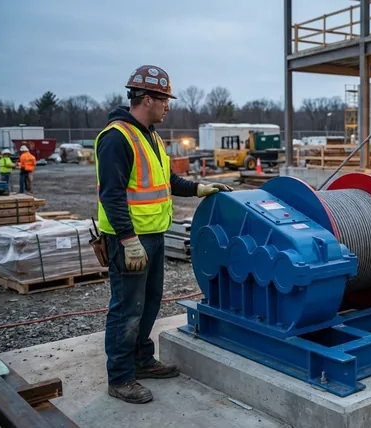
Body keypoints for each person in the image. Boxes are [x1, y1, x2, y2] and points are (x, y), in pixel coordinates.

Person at [95, 65, 232, 404]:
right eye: (163, 99)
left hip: (154, 236)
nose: (168, 105)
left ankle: (141, 360)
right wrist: (128, 241)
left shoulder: (151, 136)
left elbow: (168, 182)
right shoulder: (116, 138)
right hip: (130, 240)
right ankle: (121, 377)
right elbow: (111, 196)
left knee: (149, 304)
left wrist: (201, 187)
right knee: (127, 308)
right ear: (146, 99)